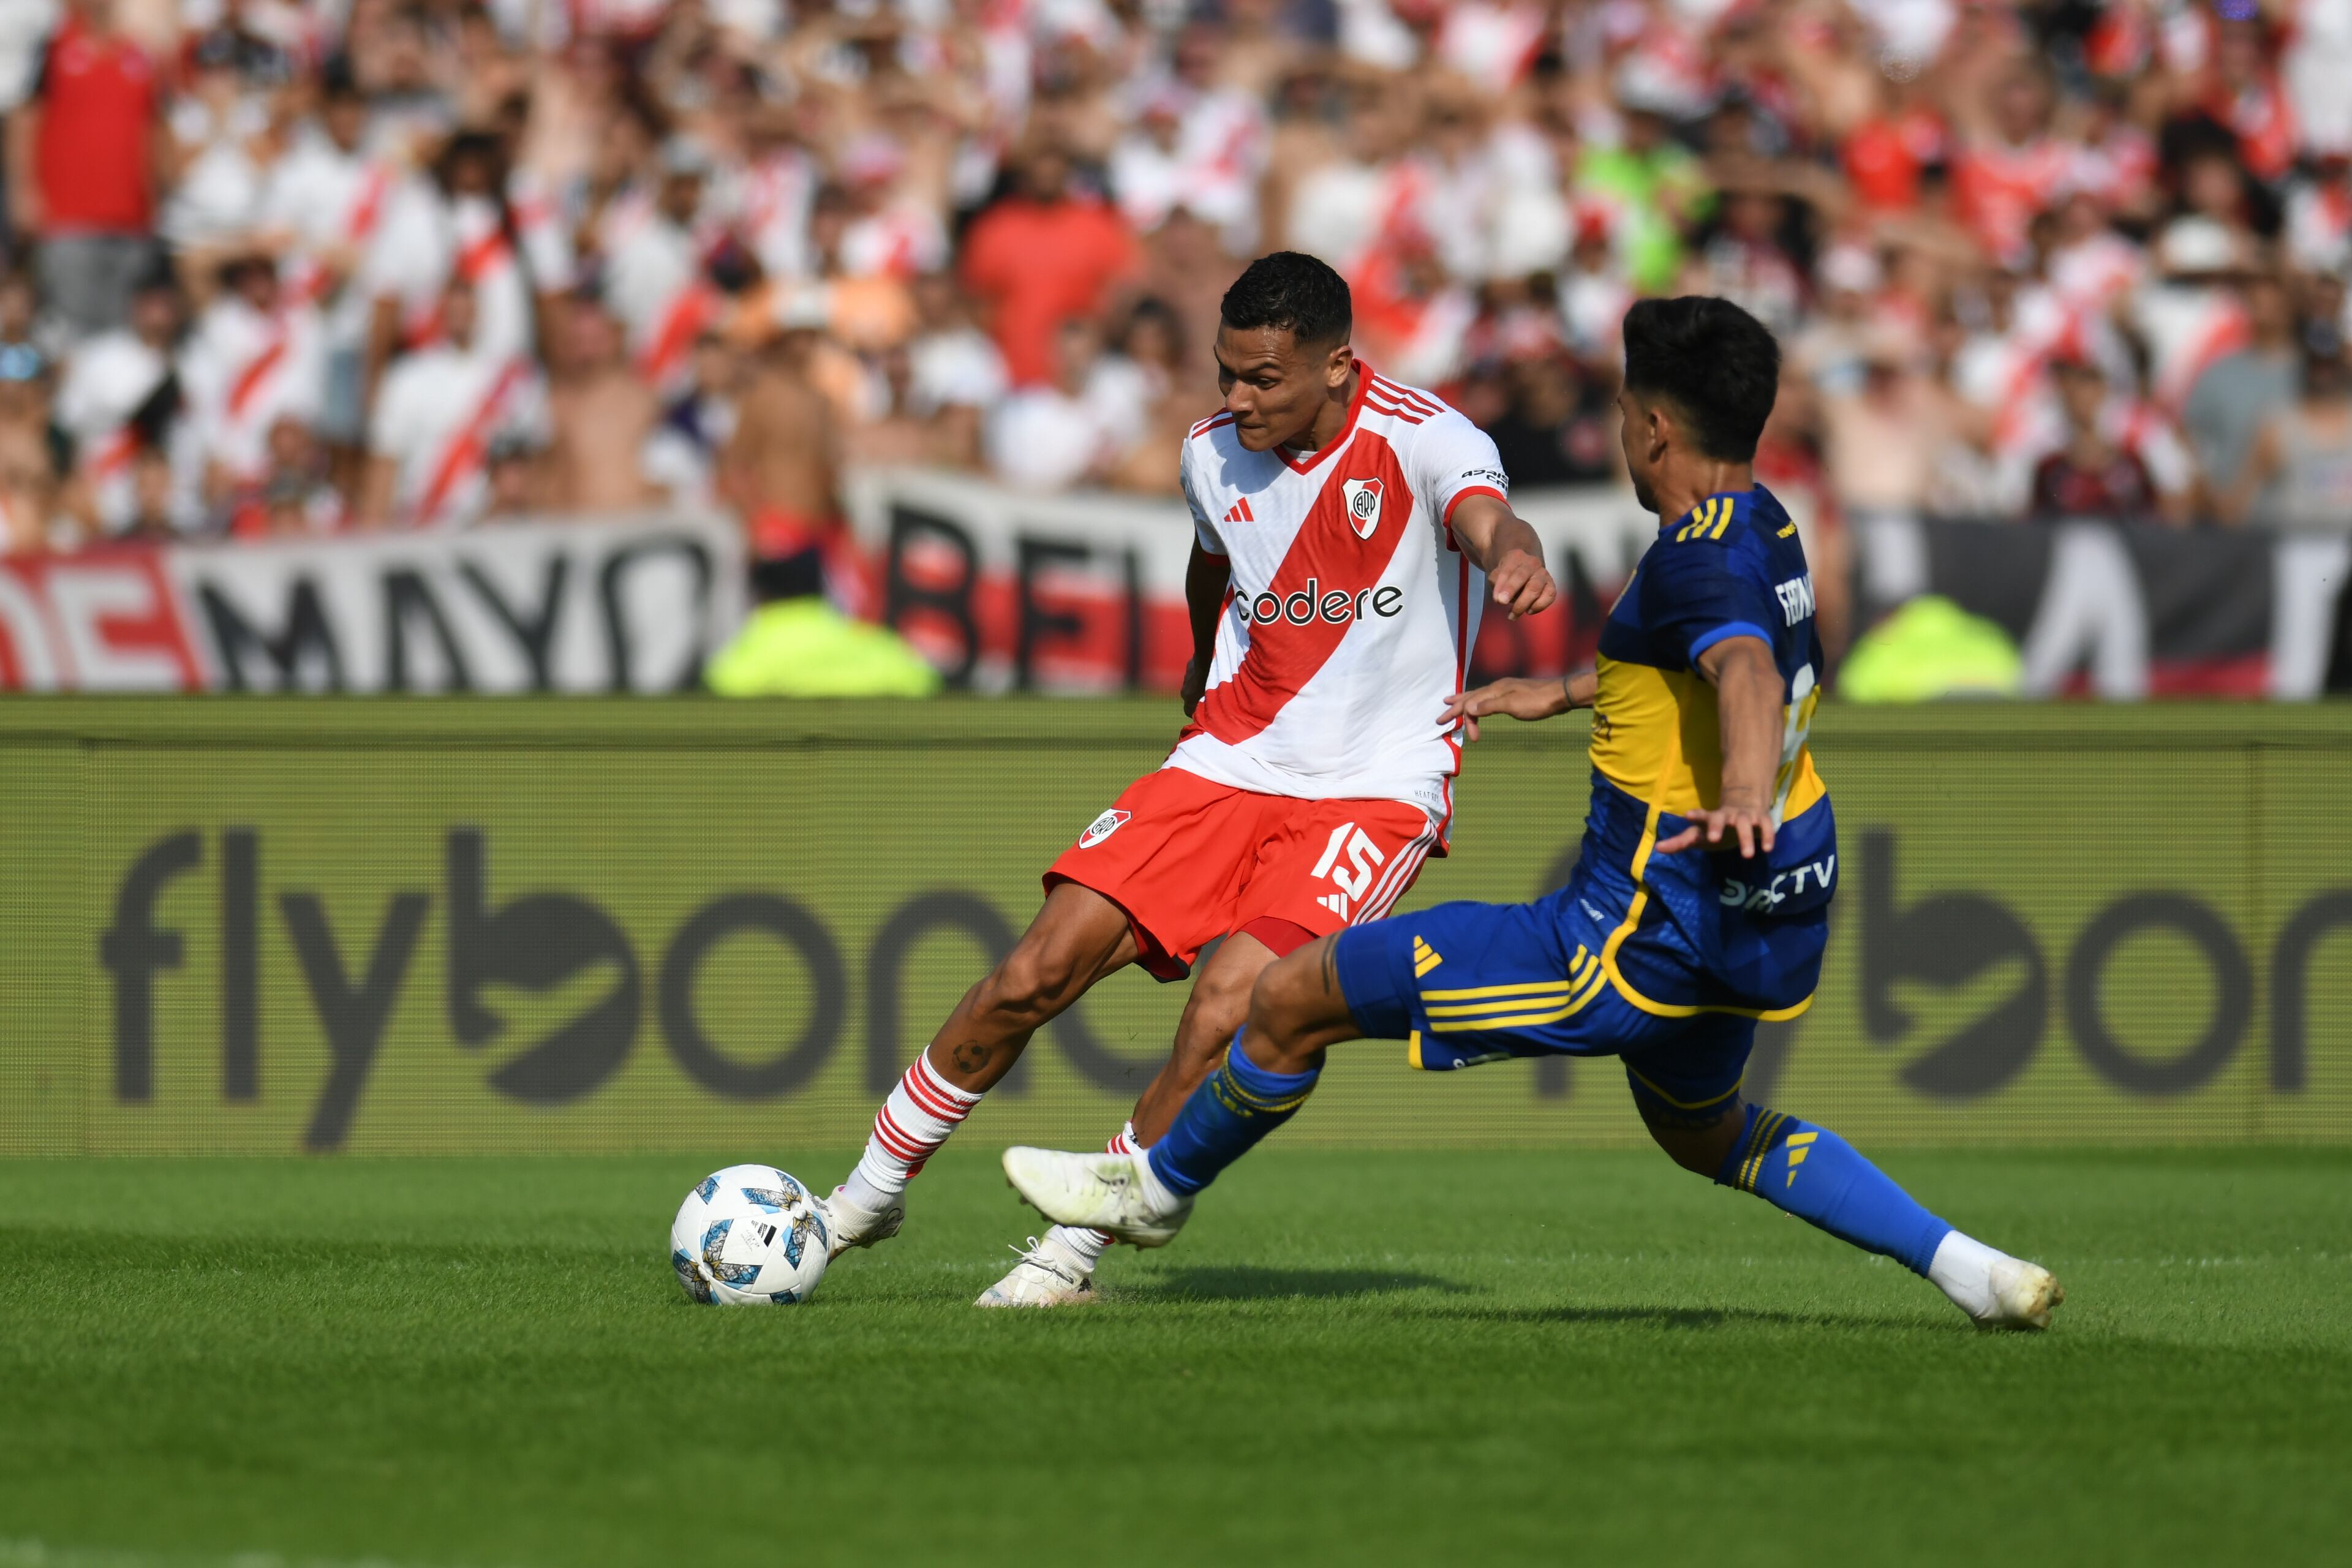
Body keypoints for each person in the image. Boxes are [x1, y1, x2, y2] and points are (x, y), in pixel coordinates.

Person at [1001, 295, 2065, 1333]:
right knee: (1711, 1134)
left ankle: (1152, 1191)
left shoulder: (1697, 555)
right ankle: (1974, 1270)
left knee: (1286, 998)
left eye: (1622, 415)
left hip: (1631, 933)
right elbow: (1718, 654)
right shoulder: (1768, 526)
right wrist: (1557, 692)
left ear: (1652, 427)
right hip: (1760, 919)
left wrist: (1741, 793)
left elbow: (1740, 667)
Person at [818, 251, 1557, 1308]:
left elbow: (1488, 516)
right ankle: (865, 1195)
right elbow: (1211, 564)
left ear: (1338, 366)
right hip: (1228, 756)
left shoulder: (1426, 436)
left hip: (1376, 786)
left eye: (1263, 378)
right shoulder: (1210, 454)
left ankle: (1071, 1257)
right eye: (1227, 374)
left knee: (1225, 1007)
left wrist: (1511, 557)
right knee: (1036, 970)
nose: (1236, 399)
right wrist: (1194, 668)